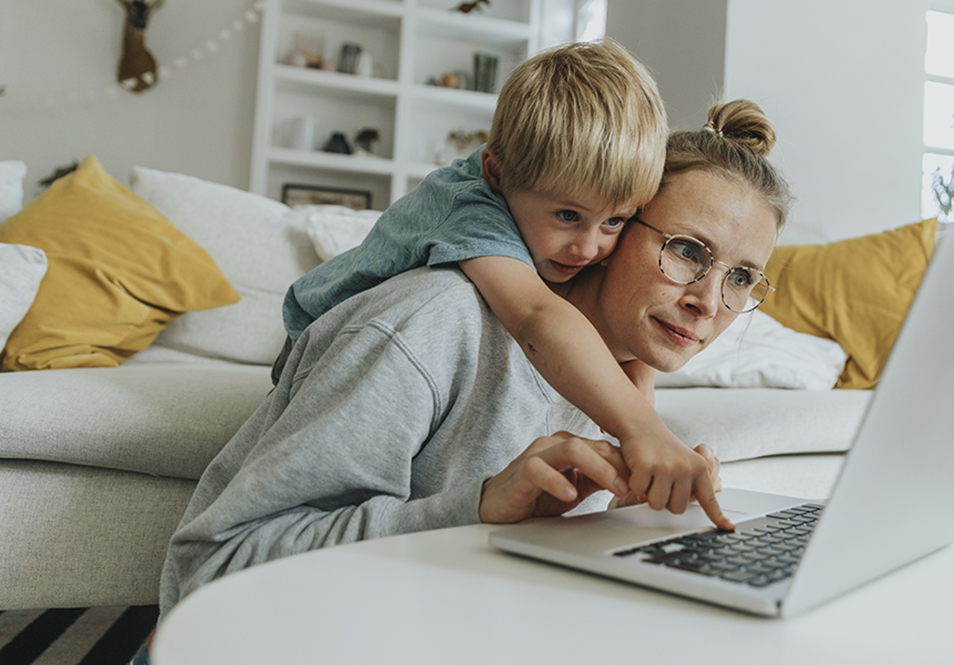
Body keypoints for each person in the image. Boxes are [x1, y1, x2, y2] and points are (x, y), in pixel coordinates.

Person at [156, 100, 790, 644]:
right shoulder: (430, 325)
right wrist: (481, 506)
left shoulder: (622, 371)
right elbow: (214, 570)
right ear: (616, 221)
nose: (708, 302)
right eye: (687, 251)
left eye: (740, 278)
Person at [276, 39, 720, 523]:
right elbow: (535, 316)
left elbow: (628, 346)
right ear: (496, 173)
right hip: (318, 344)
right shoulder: (473, 207)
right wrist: (643, 430)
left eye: (615, 221)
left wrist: (644, 436)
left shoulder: (562, 217)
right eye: (568, 215)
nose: (589, 248)